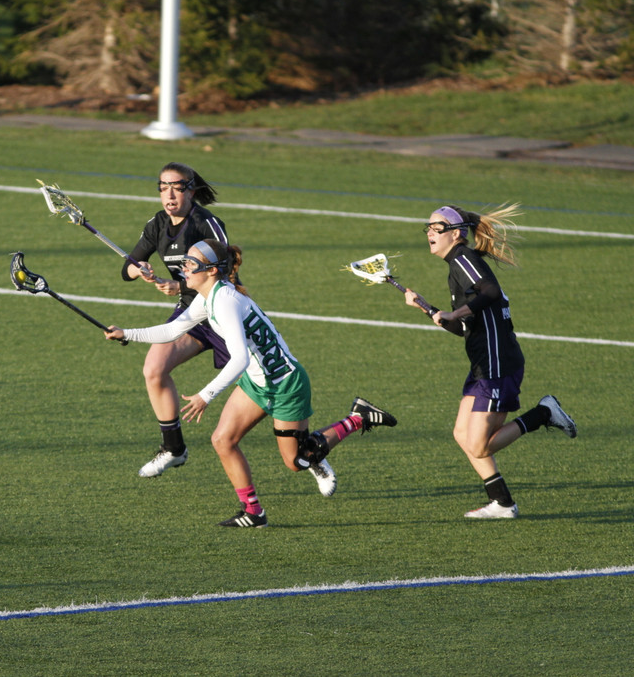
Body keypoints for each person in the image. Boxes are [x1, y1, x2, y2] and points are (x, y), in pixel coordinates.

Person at [106, 239, 398, 527]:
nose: (183, 268)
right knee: (223, 440)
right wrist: (127, 333)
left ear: (211, 271)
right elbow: (173, 329)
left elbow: (239, 360)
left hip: (286, 385)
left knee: (296, 462)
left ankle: (357, 418)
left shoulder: (225, 302)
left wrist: (205, 395)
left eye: (191, 264)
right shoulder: (208, 297)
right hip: (257, 384)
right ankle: (253, 513)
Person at [403, 204, 577, 519]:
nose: (429, 232)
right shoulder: (456, 266)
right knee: (461, 434)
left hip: (498, 365)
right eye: (427, 227)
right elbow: (463, 328)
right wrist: (427, 308)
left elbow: (491, 292)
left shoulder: (463, 259)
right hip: (484, 363)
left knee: (480, 446)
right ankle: (503, 504)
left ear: (456, 234)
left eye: (436, 227)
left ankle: (543, 413)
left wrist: (454, 313)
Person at [119, 163, 234, 478]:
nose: (169, 194)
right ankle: (174, 449)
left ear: (191, 190)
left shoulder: (206, 223)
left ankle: (309, 449)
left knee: (265, 388)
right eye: (163, 187)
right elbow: (127, 268)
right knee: (153, 370)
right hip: (190, 312)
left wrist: (179, 285)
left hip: (224, 311)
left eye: (177, 187)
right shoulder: (156, 224)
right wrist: (139, 269)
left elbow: (229, 272)